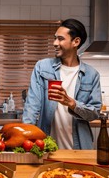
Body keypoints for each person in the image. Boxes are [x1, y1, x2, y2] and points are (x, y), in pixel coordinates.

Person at [22, 18, 102, 149]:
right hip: (47, 145)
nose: (55, 43)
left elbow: (94, 113)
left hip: (80, 147)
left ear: (76, 41)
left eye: (60, 39)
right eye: (55, 38)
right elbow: (32, 105)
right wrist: (26, 137)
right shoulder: (42, 67)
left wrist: (71, 103)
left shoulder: (91, 74)